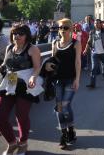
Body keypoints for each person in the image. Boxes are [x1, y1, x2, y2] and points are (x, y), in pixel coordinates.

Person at [0, 24, 43, 155]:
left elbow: (38, 67)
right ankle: (12, 143)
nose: (17, 36)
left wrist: (33, 77)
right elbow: (5, 63)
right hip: (10, 81)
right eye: (14, 33)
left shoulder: (33, 49)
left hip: (26, 83)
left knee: (21, 116)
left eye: (20, 33)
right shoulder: (10, 47)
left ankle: (23, 143)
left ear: (27, 35)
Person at [43, 18, 81, 149]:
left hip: (70, 79)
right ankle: (66, 133)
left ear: (71, 29)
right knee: (60, 107)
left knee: (65, 106)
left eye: (65, 28)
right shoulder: (55, 42)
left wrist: (77, 79)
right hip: (58, 80)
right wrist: (48, 66)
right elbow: (52, 60)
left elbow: (78, 62)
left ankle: (70, 130)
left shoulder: (76, 43)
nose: (62, 30)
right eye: (60, 28)